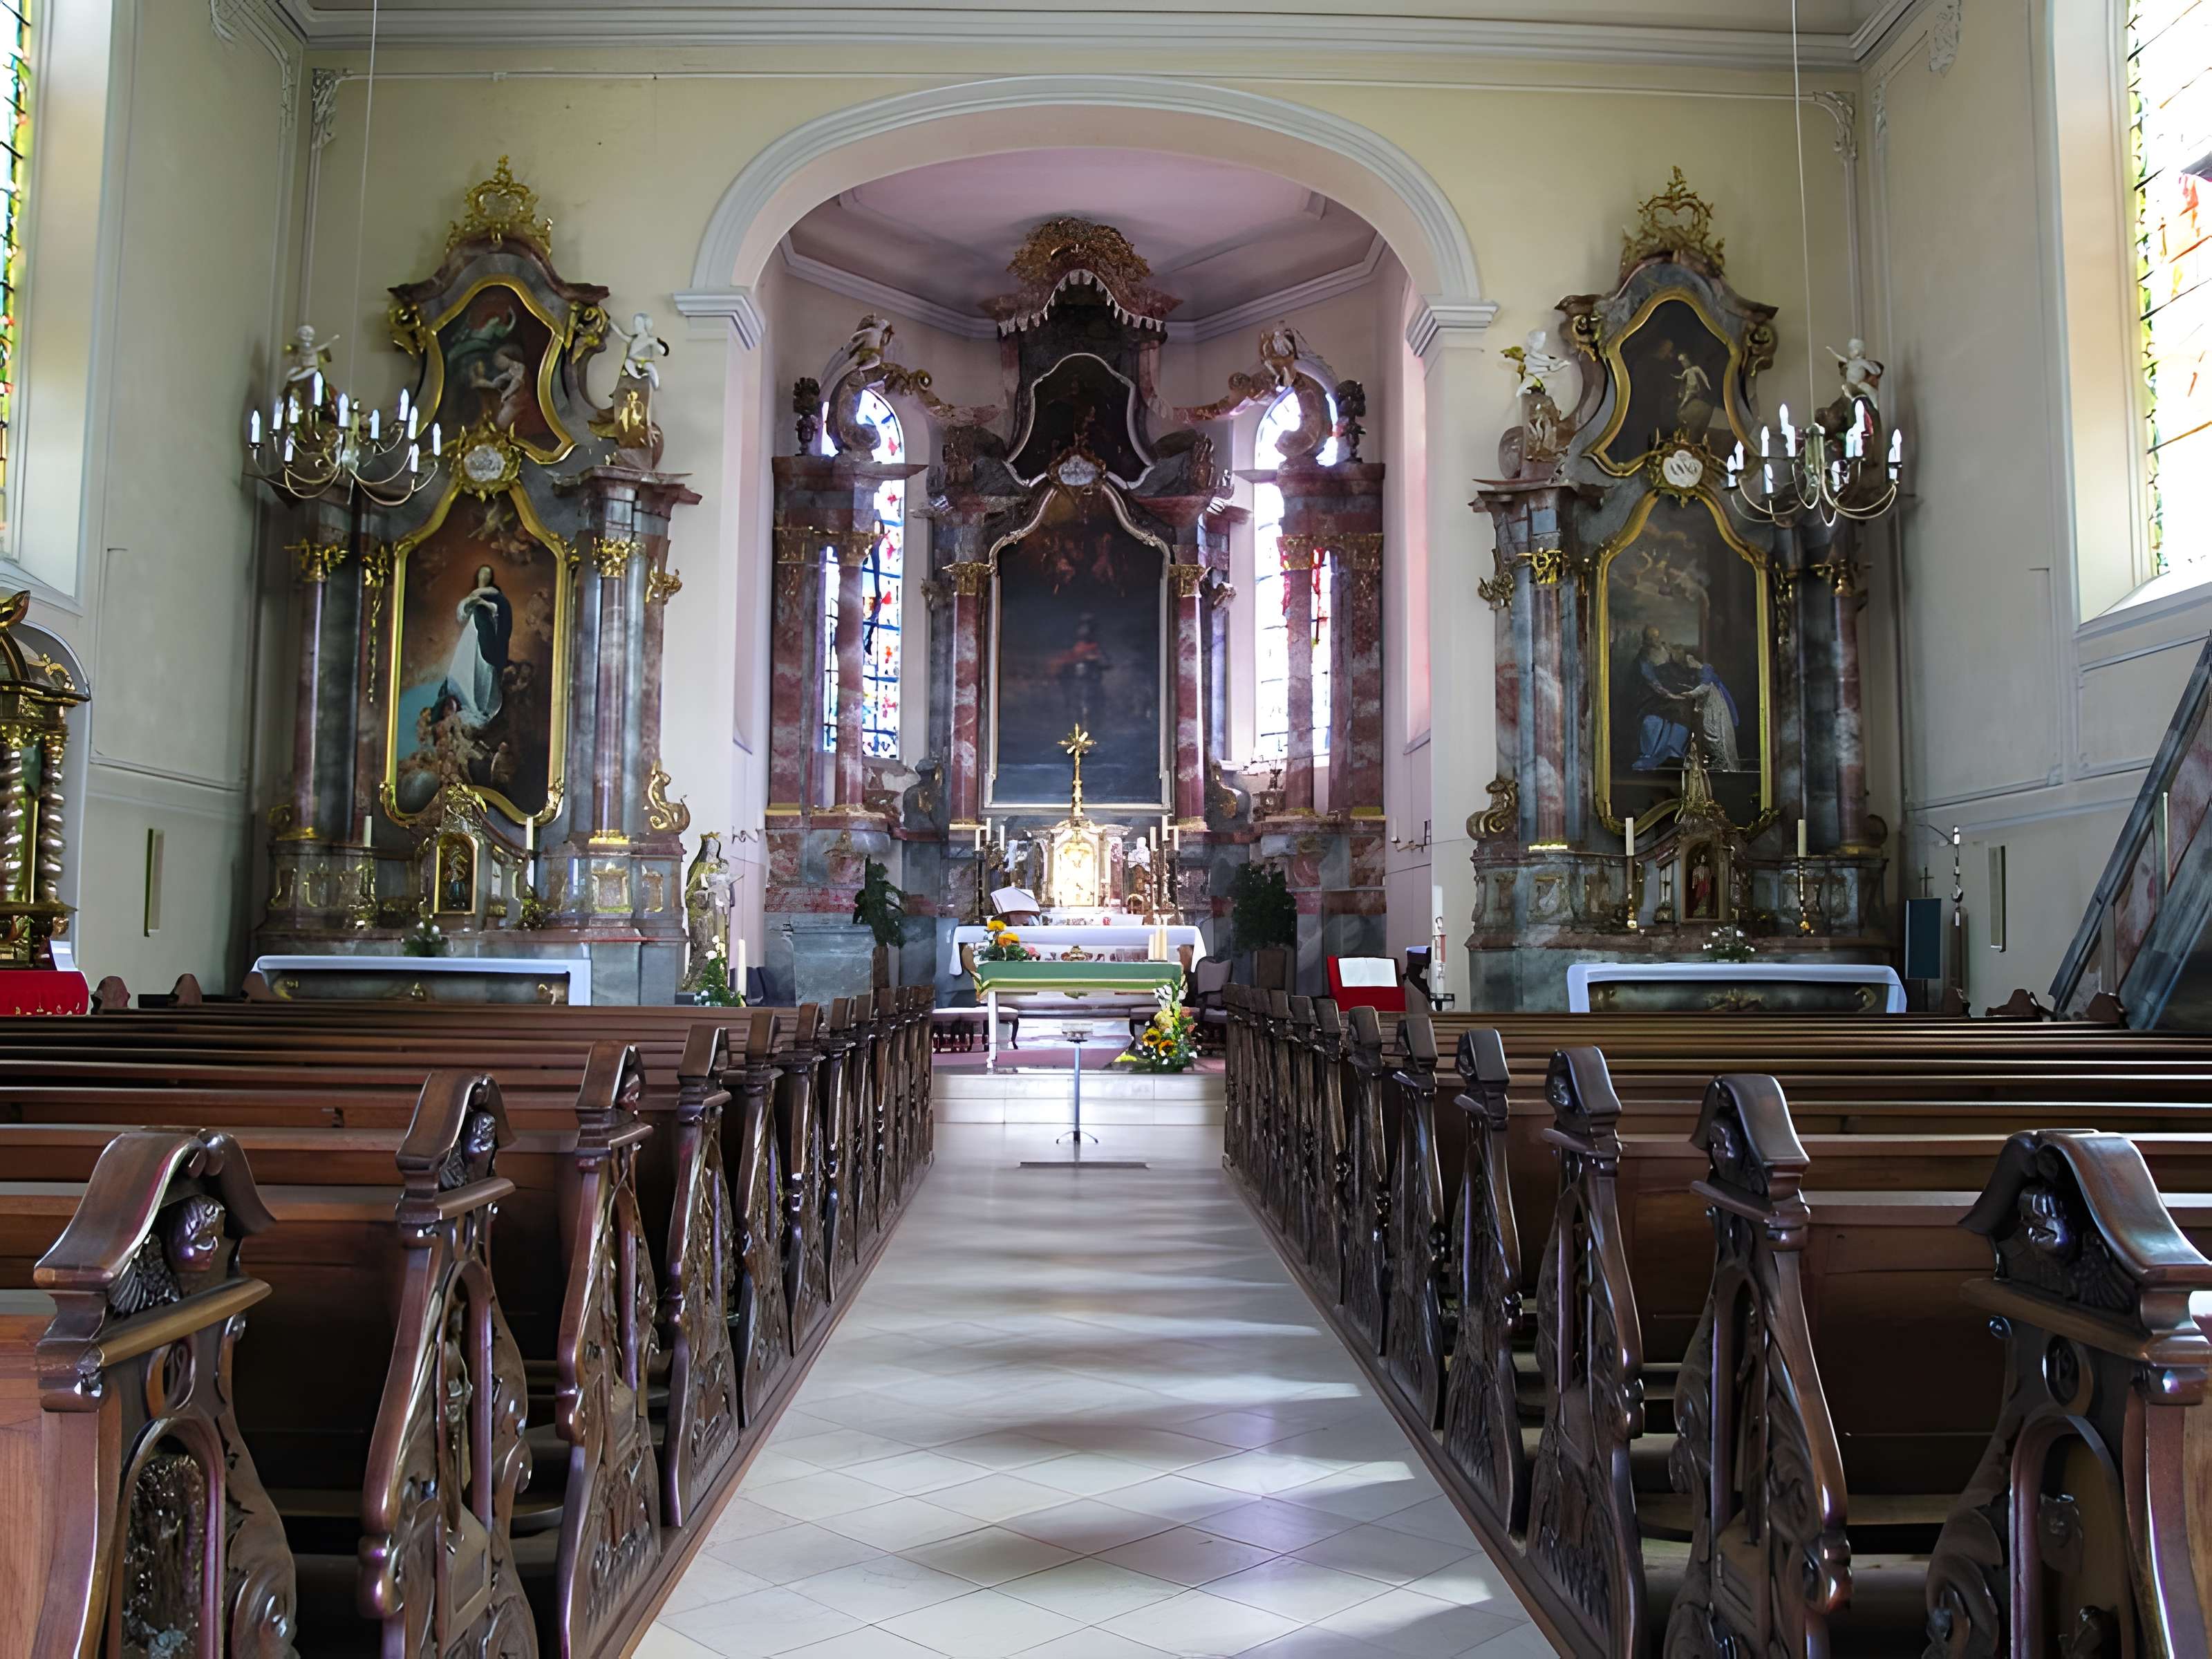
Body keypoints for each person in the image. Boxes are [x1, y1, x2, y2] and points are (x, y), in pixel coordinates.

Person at [443, 565, 512, 731]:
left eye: (488, 574)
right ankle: (465, 706)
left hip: (488, 641)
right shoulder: (472, 595)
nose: (485, 576)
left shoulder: (496, 596)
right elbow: (462, 614)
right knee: (464, 671)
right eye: (482, 573)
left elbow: (500, 613)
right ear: (478, 576)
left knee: (484, 673)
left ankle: (481, 711)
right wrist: (473, 601)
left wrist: (482, 601)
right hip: (471, 637)